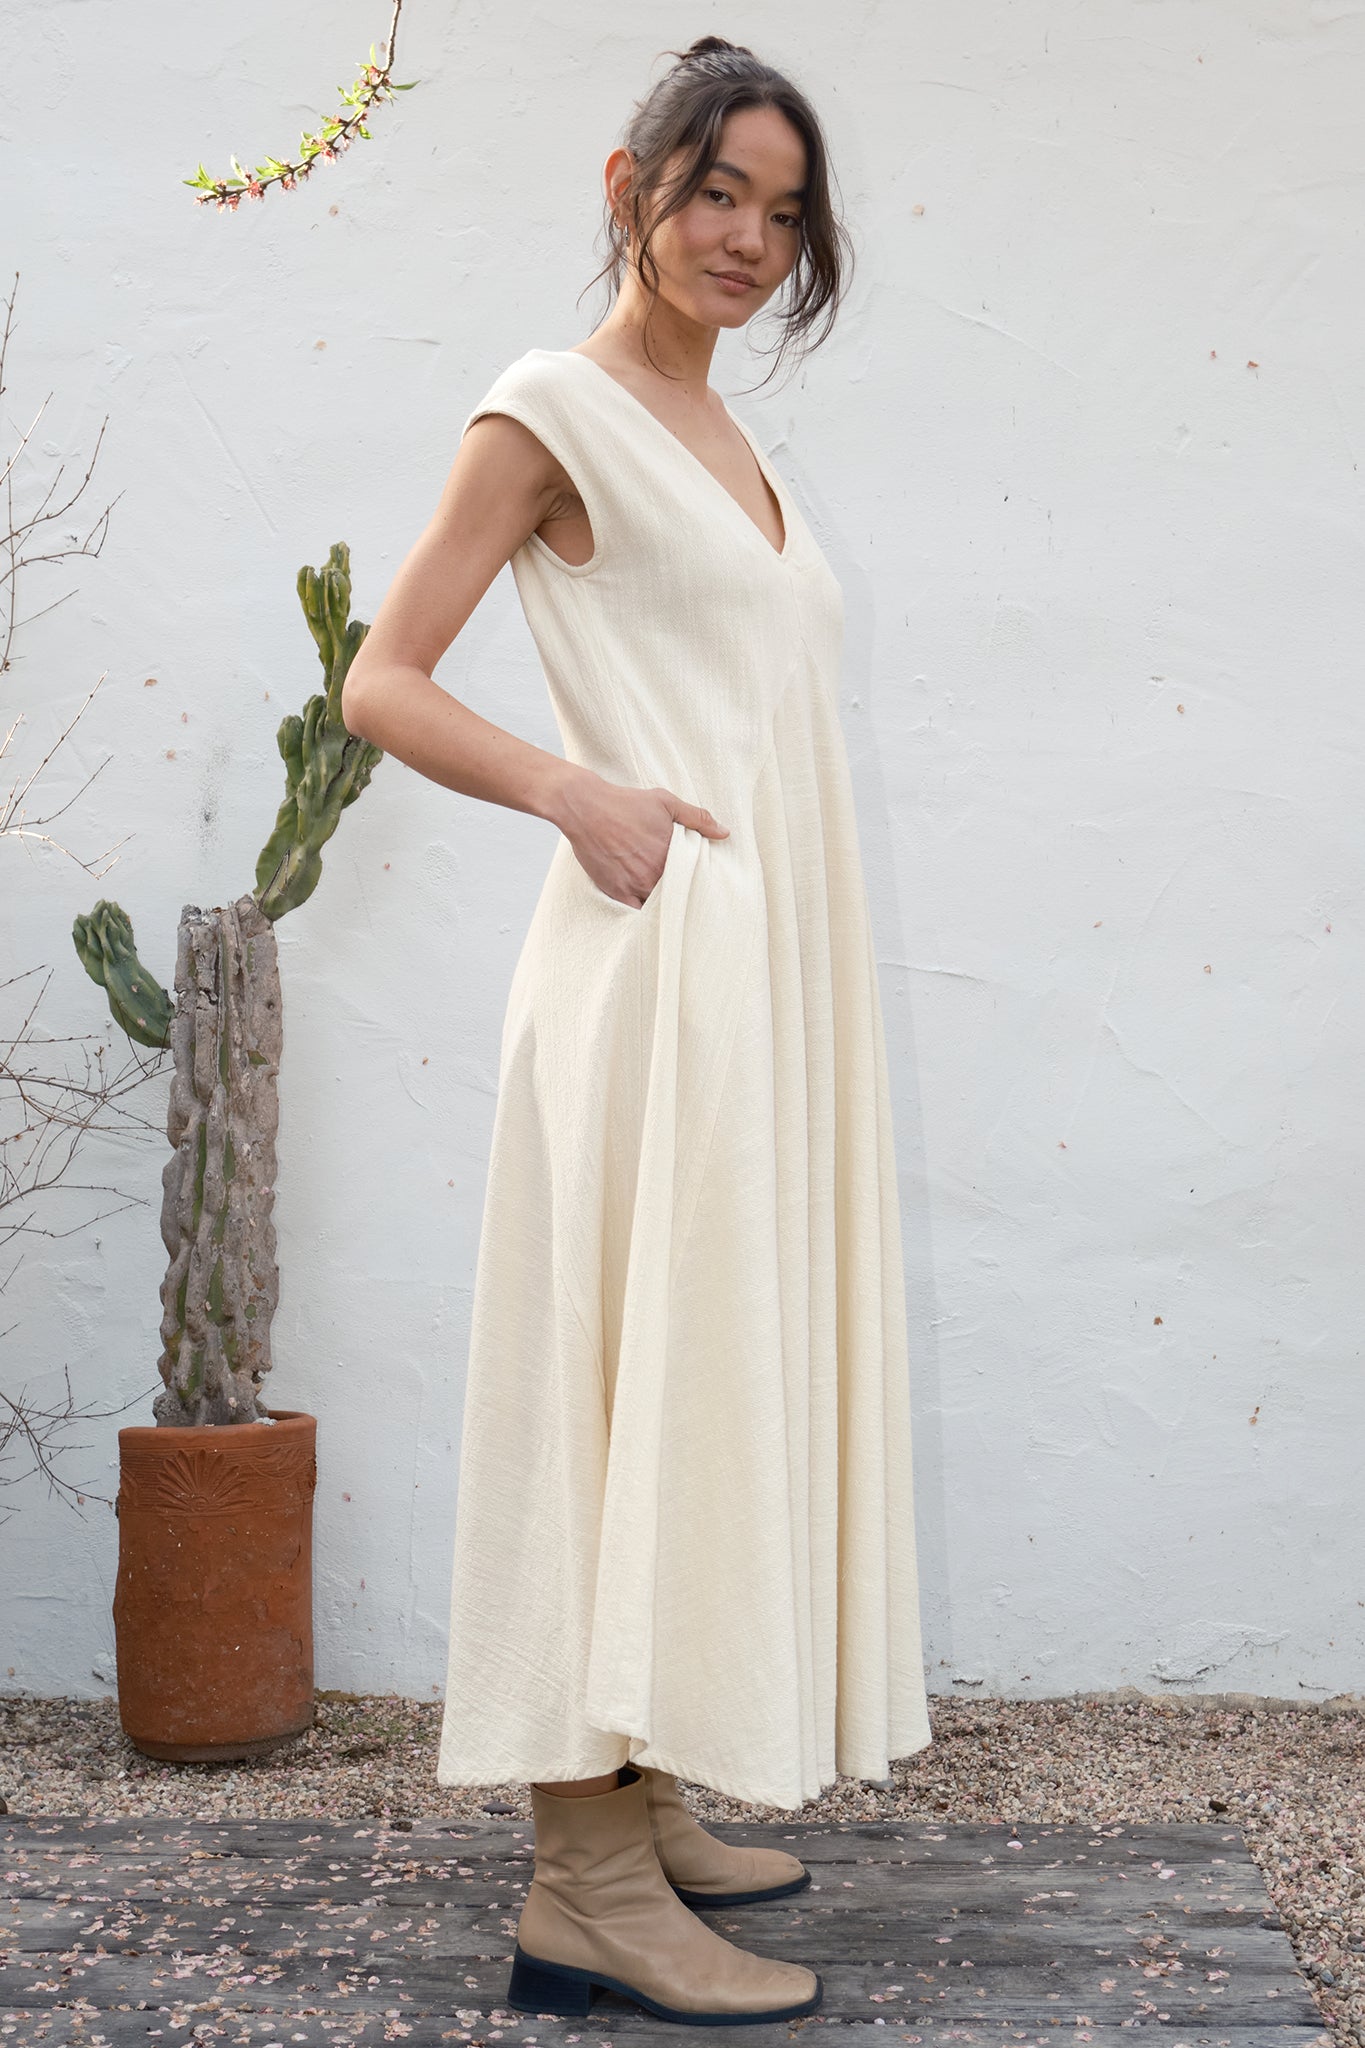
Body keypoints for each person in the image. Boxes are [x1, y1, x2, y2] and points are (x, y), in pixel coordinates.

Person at [341, 32, 933, 2028]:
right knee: (611, 1382)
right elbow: (380, 681)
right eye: (714, 194)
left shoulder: (725, 435)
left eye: (780, 209)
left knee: (690, 1373)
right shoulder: (551, 412)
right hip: (646, 972)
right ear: (628, 184)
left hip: (754, 983)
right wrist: (569, 792)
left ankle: (645, 1785)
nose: (747, 237)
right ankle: (578, 1879)